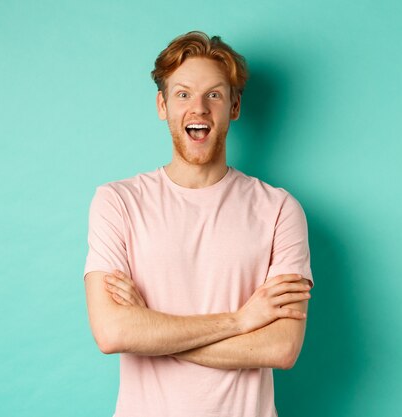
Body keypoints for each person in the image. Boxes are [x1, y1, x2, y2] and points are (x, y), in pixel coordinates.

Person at [83, 31, 314, 417]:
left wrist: (151, 332)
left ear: (235, 106)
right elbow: (113, 333)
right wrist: (241, 321)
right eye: (183, 94)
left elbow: (281, 348)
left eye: (214, 95)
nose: (199, 108)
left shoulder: (280, 210)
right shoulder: (117, 202)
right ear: (163, 105)